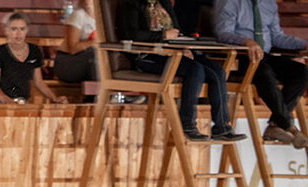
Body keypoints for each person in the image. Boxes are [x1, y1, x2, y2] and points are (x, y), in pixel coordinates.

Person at [118, 0, 245, 141]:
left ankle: (221, 127)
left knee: (217, 71)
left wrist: (184, 47)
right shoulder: (132, 4)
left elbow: (177, 31)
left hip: (174, 53)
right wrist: (163, 36)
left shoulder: (164, 3)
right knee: (195, 70)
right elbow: (131, 35)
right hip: (148, 55)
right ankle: (187, 124)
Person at [215, 0, 308, 147]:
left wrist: (304, 44)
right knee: (264, 71)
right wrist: (246, 42)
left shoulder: (269, 3)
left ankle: (275, 125)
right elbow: (223, 33)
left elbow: (277, 37)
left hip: (264, 55)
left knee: (300, 71)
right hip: (240, 55)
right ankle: (287, 124)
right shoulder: (230, 2)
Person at [0, 12, 68, 104]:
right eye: (14, 29)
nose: (18, 33)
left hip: (23, 102)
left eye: (22, 29)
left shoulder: (34, 50)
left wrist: (54, 98)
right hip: (2, 102)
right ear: (6, 30)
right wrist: (8, 101)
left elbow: (39, 83)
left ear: (27, 30)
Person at [54, 0, 98, 83]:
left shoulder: (104, 18)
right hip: (68, 63)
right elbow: (73, 48)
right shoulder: (78, 15)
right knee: (95, 55)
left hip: (89, 64)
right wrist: (94, 42)